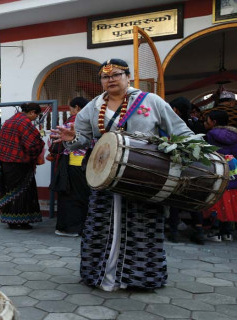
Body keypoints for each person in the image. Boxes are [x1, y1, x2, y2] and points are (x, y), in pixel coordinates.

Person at [52, 58, 194, 291]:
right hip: (105, 175)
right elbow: (83, 137)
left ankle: (139, 278)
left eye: (116, 74)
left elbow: (180, 131)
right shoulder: (94, 106)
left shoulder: (151, 101)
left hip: (144, 175)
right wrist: (72, 139)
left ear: (128, 77)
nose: (111, 79)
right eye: (105, 77)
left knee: (143, 223)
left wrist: (196, 153)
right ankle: (100, 274)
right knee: (101, 223)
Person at [0, 103, 45, 229]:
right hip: (20, 162)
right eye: (36, 115)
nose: (35, 118)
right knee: (23, 192)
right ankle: (22, 220)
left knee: (9, 190)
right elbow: (33, 144)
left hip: (6, 162)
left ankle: (10, 220)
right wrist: (39, 149)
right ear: (32, 112)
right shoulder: (24, 123)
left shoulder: (9, 121)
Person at [166, 97, 206, 244]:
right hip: (196, 167)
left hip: (176, 165)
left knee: (175, 197)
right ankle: (199, 230)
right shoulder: (196, 124)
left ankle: (174, 231)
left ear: (175, 110)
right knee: (192, 197)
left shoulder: (173, 125)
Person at [50, 97, 90, 237]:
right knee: (84, 195)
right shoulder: (92, 121)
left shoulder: (74, 122)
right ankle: (85, 226)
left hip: (73, 163)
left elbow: (56, 141)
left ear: (77, 107)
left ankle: (71, 228)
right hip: (89, 164)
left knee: (70, 196)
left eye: (71, 108)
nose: (70, 111)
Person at [202, 110, 236, 241]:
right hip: (234, 173)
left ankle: (216, 232)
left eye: (207, 120)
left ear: (214, 122)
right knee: (229, 203)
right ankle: (227, 232)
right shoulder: (234, 134)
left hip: (219, 172)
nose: (205, 123)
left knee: (217, 202)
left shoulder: (211, 134)